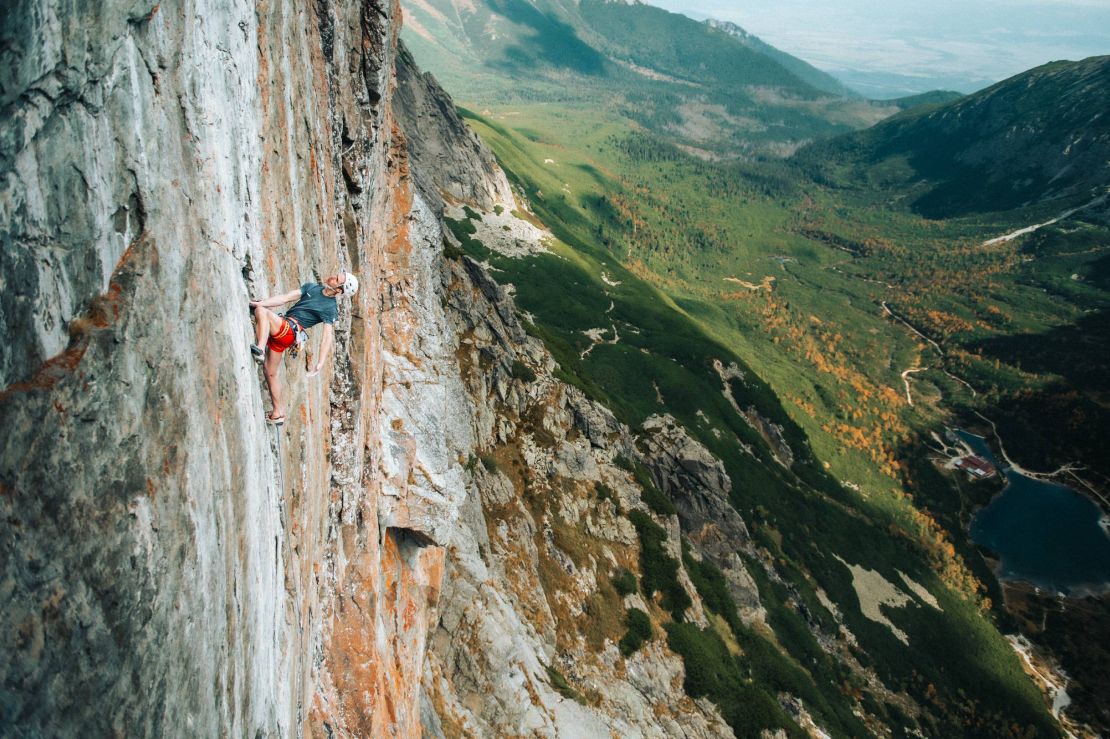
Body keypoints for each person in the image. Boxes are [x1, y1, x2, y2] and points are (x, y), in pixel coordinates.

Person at [249, 271, 359, 425]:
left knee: (261, 312)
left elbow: (327, 337)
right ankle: (278, 413)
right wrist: (263, 302)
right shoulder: (312, 287)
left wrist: (320, 362)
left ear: (339, 290)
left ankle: (259, 348)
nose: (332, 276)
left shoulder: (330, 308)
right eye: (336, 274)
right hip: (285, 333)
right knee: (270, 372)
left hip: (289, 330)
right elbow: (285, 298)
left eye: (337, 279)